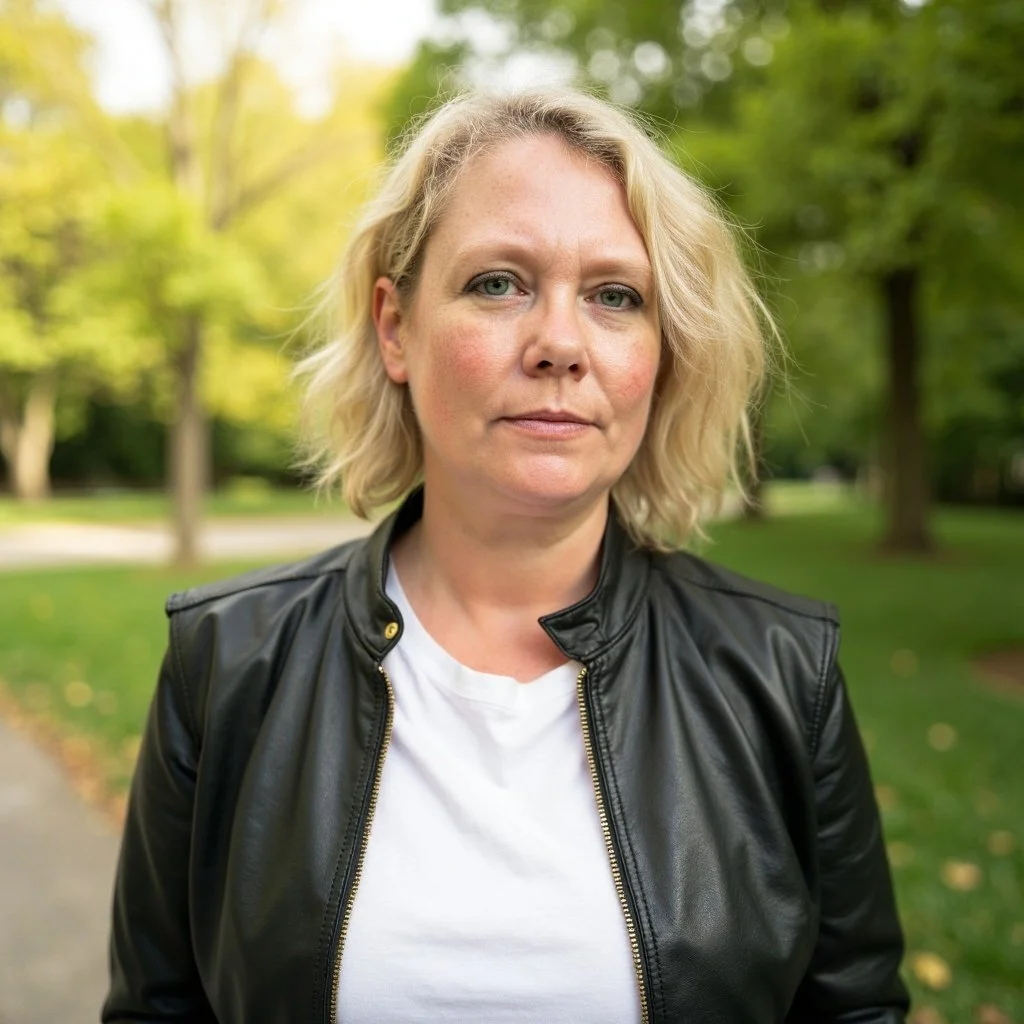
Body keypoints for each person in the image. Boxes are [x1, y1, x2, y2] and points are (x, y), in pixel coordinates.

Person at [103, 88, 909, 1024]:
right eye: (500, 283)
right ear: (396, 327)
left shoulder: (781, 674)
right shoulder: (227, 660)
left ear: (664, 349)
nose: (560, 344)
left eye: (616, 296)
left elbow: (856, 1009)